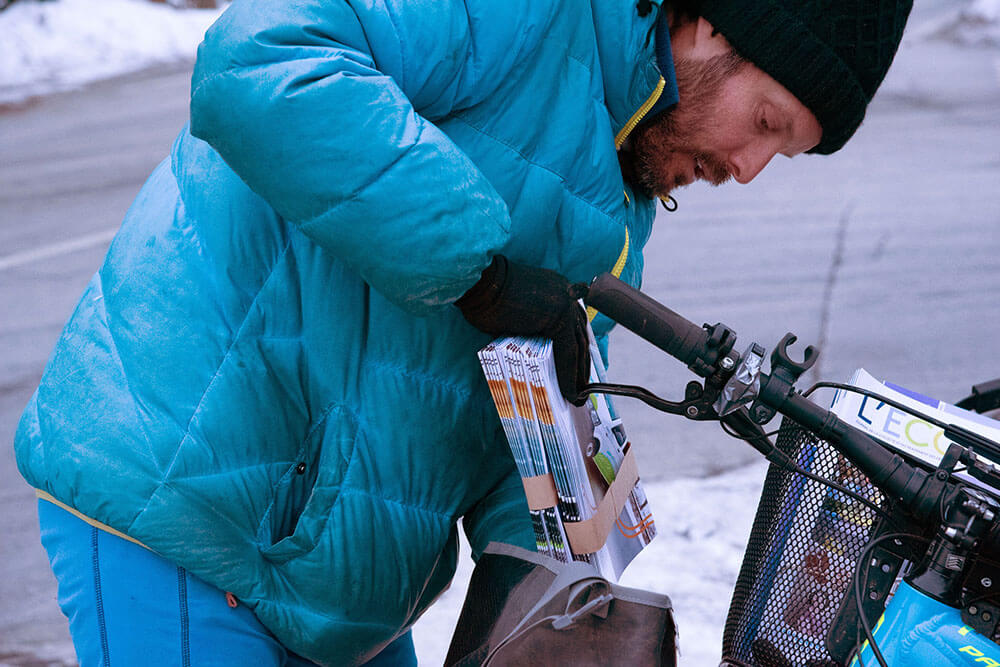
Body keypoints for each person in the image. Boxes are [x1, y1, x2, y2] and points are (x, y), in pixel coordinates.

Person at [14, 0, 912, 664]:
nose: (748, 170)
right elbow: (260, 60)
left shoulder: (624, 181)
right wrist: (476, 268)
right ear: (716, 25)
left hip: (338, 577)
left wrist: (553, 564)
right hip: (189, 505)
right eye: (764, 124)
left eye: (779, 155)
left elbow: (519, 386)